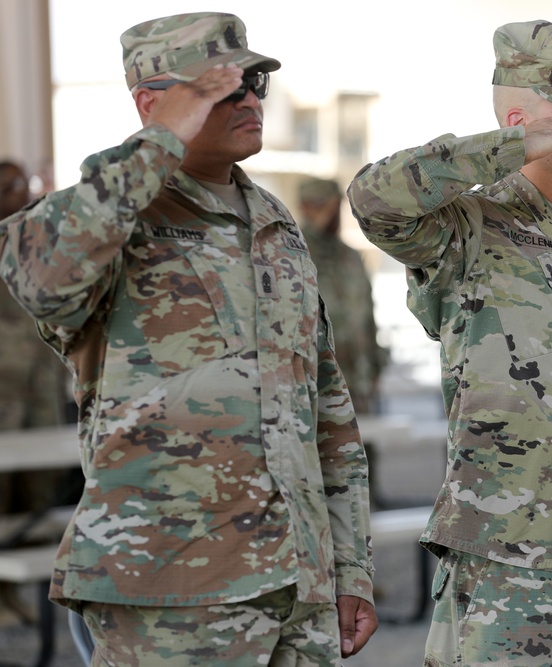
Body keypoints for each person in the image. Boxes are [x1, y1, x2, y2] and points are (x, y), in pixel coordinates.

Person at [0, 13, 376, 664]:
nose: (250, 97)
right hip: (173, 592)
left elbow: (327, 414)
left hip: (299, 585)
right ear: (152, 101)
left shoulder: (275, 225)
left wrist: (351, 566)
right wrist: (161, 137)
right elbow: (39, 273)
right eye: (222, 86)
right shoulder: (114, 219)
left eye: (255, 80)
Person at [348, 19, 552, 666]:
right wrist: (509, 147)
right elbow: (374, 199)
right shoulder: (468, 228)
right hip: (508, 567)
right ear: (518, 119)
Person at [0, 159, 71, 623]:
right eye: (9, 186)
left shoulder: (34, 242)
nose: (18, 193)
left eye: (22, 185)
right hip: (3, 389)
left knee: (38, 493)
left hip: (39, 385)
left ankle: (21, 595)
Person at [297, 177, 388, 416]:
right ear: (305, 207)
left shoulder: (350, 257)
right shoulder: (294, 254)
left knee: (364, 448)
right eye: (323, 206)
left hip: (359, 380)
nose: (333, 215)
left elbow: (367, 314)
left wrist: (376, 367)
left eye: (336, 207)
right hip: (318, 382)